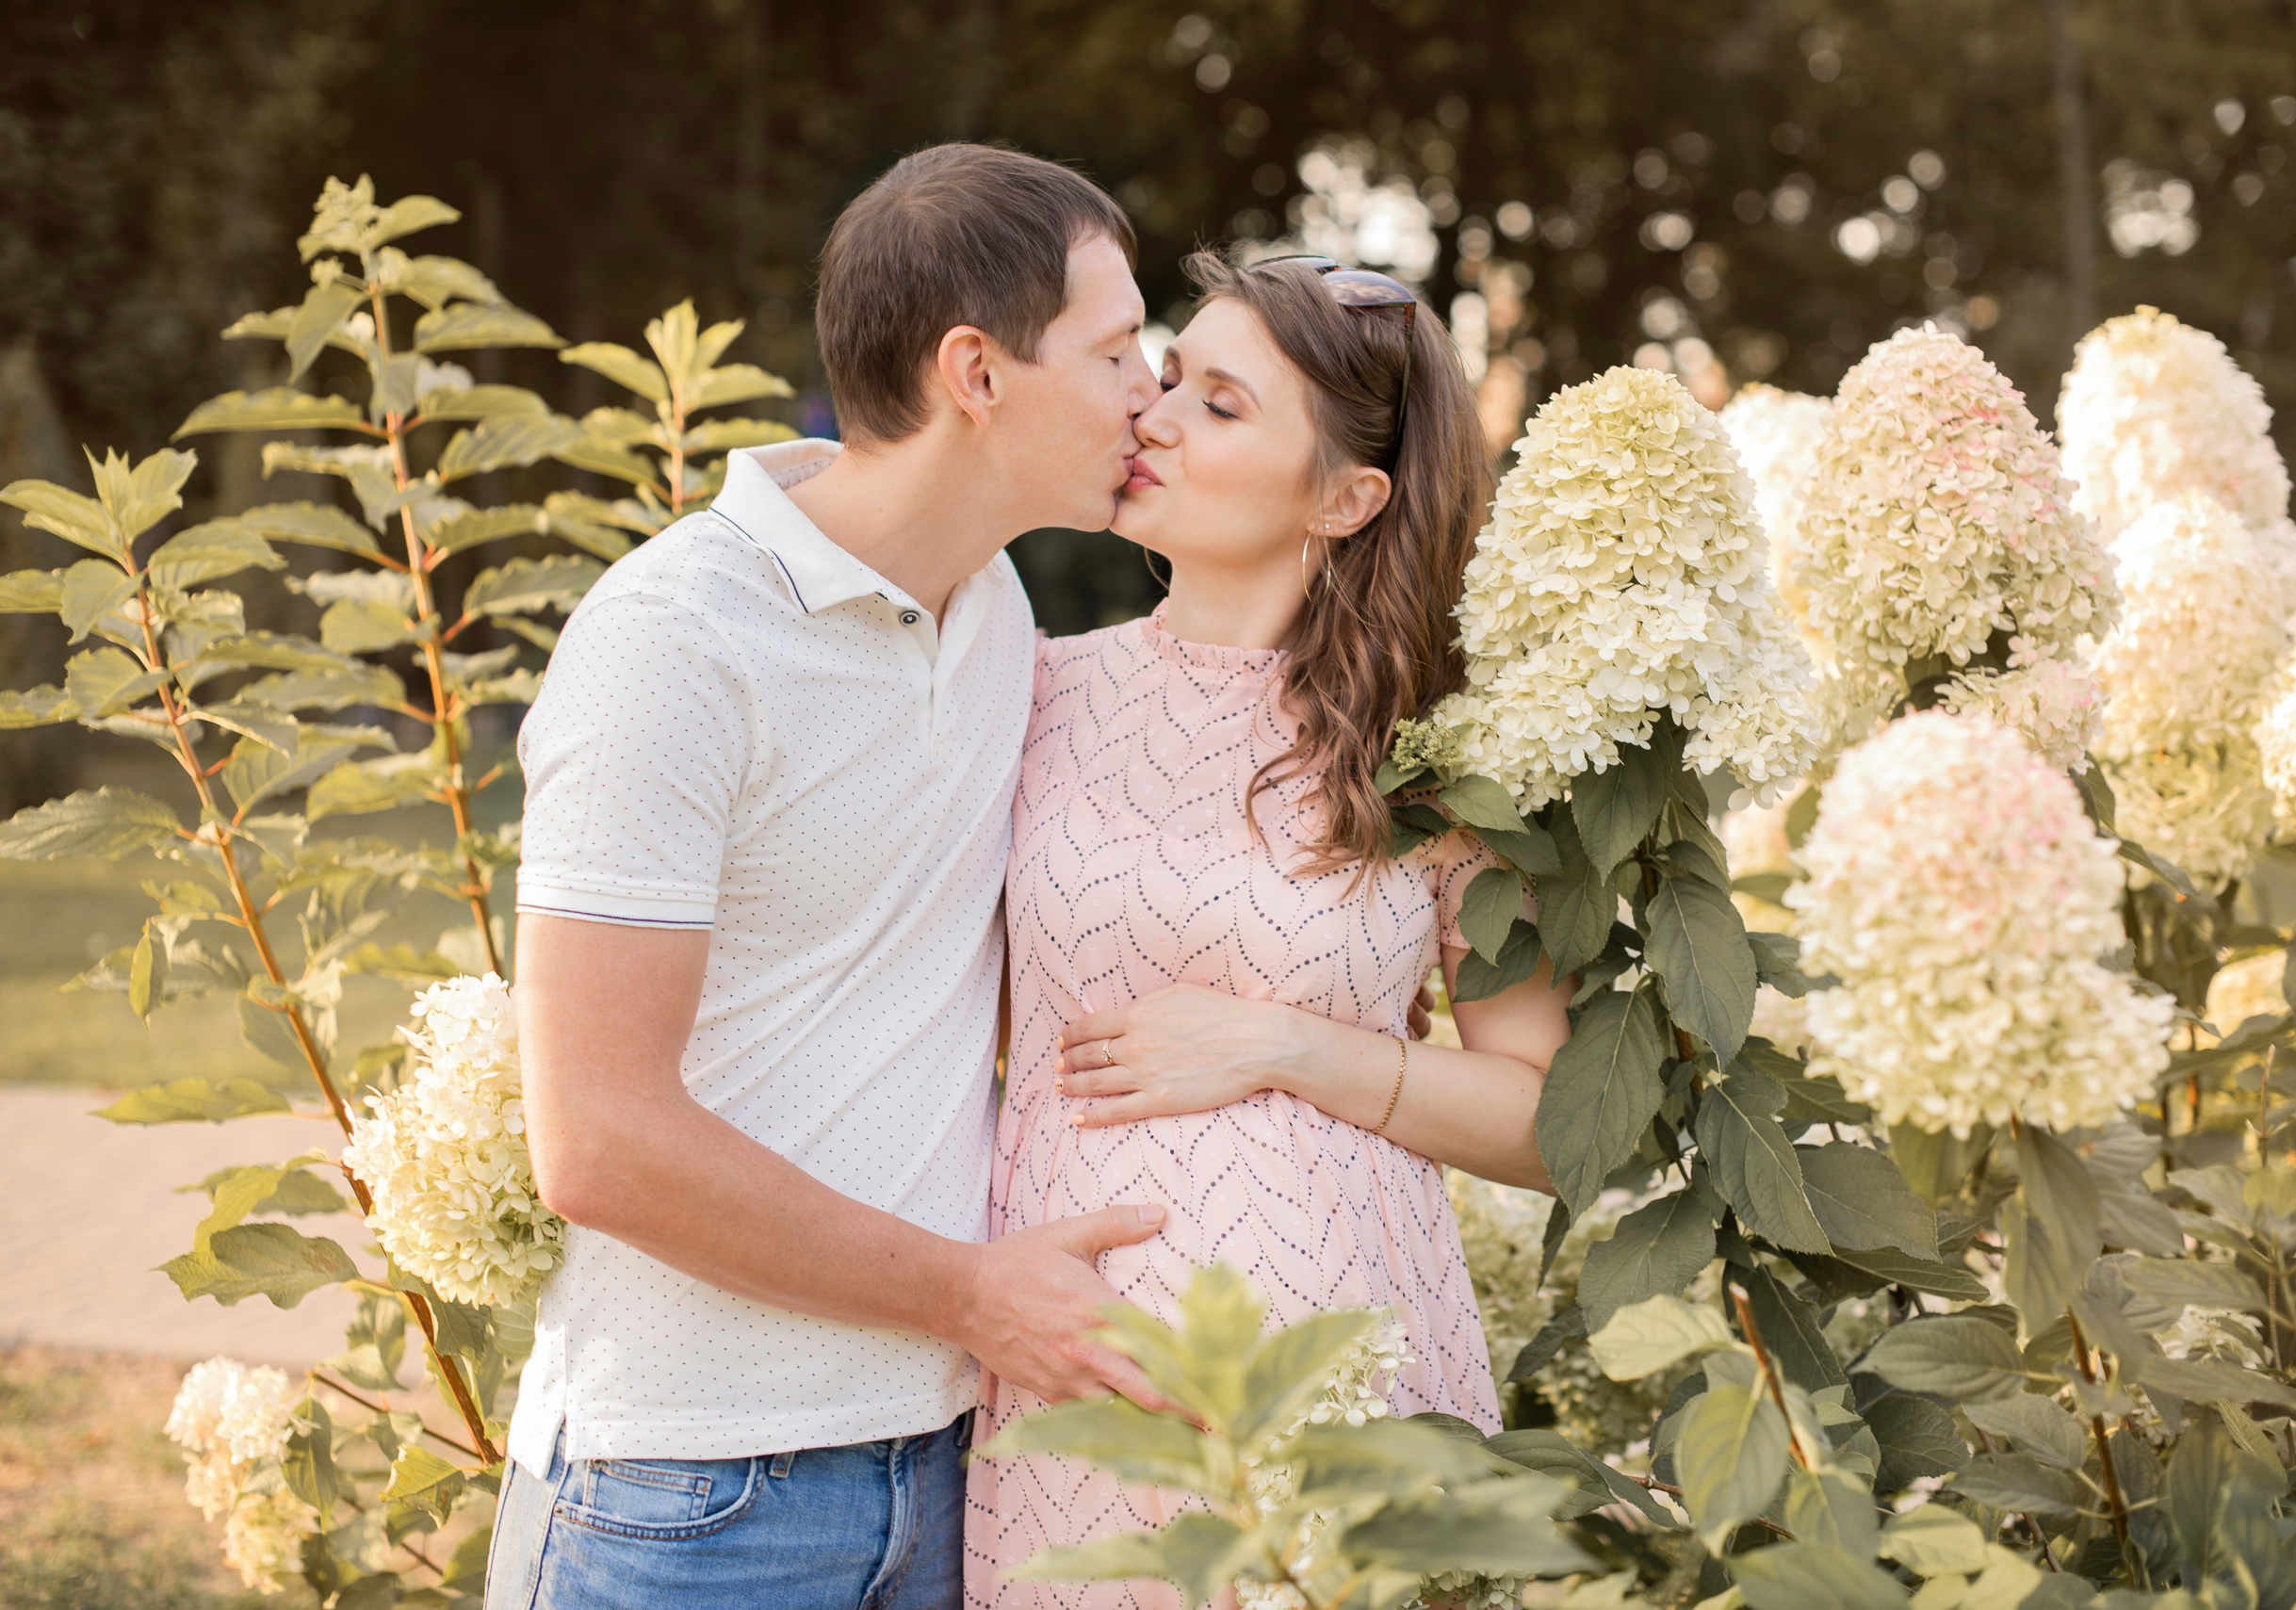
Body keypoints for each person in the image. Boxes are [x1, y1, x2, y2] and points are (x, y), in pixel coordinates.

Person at [486, 143, 1167, 1610]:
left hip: (941, 1472)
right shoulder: (671, 644)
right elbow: (596, 1137)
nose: (1149, 392)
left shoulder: (995, 611)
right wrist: (976, 1295)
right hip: (686, 1497)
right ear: (976, 373)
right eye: (1118, 351)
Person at [966, 252, 1575, 1610]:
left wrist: (1285, 1044)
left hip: (1352, 1379)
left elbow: (1551, 1123)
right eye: (1168, 376)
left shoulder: (1440, 767)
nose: (1155, 415)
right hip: (1078, 1390)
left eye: (1222, 404)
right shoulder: (1025, 687)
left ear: (1348, 497)